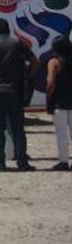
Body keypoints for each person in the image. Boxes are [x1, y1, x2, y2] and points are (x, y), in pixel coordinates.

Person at [0, 18, 38, 171]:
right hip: (15, 91)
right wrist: (27, 77)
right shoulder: (18, 44)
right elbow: (35, 62)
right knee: (18, 127)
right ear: (7, 29)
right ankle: (22, 161)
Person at [46, 36, 72, 171]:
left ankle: (63, 161)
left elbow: (51, 82)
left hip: (59, 102)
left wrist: (48, 97)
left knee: (61, 133)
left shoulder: (54, 62)